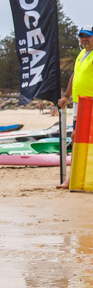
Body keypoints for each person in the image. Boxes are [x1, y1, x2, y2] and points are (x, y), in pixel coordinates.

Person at [57, 26, 93, 189]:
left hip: (90, 103)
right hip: (80, 104)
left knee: (80, 138)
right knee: (76, 138)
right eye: (81, 37)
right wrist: (66, 96)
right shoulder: (82, 54)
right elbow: (75, 75)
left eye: (87, 36)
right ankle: (72, 178)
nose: (84, 39)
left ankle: (76, 178)